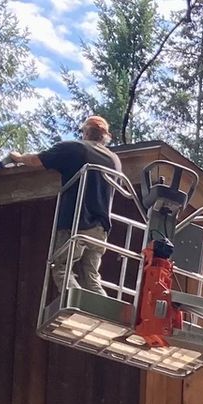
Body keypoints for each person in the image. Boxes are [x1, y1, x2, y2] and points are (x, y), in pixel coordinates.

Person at [10, 115, 122, 295]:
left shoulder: (74, 149)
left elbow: (37, 160)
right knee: (91, 277)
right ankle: (101, 314)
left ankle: (76, 307)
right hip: (100, 229)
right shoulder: (114, 160)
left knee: (61, 267)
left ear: (85, 132)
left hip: (75, 221)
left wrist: (18, 157)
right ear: (105, 136)